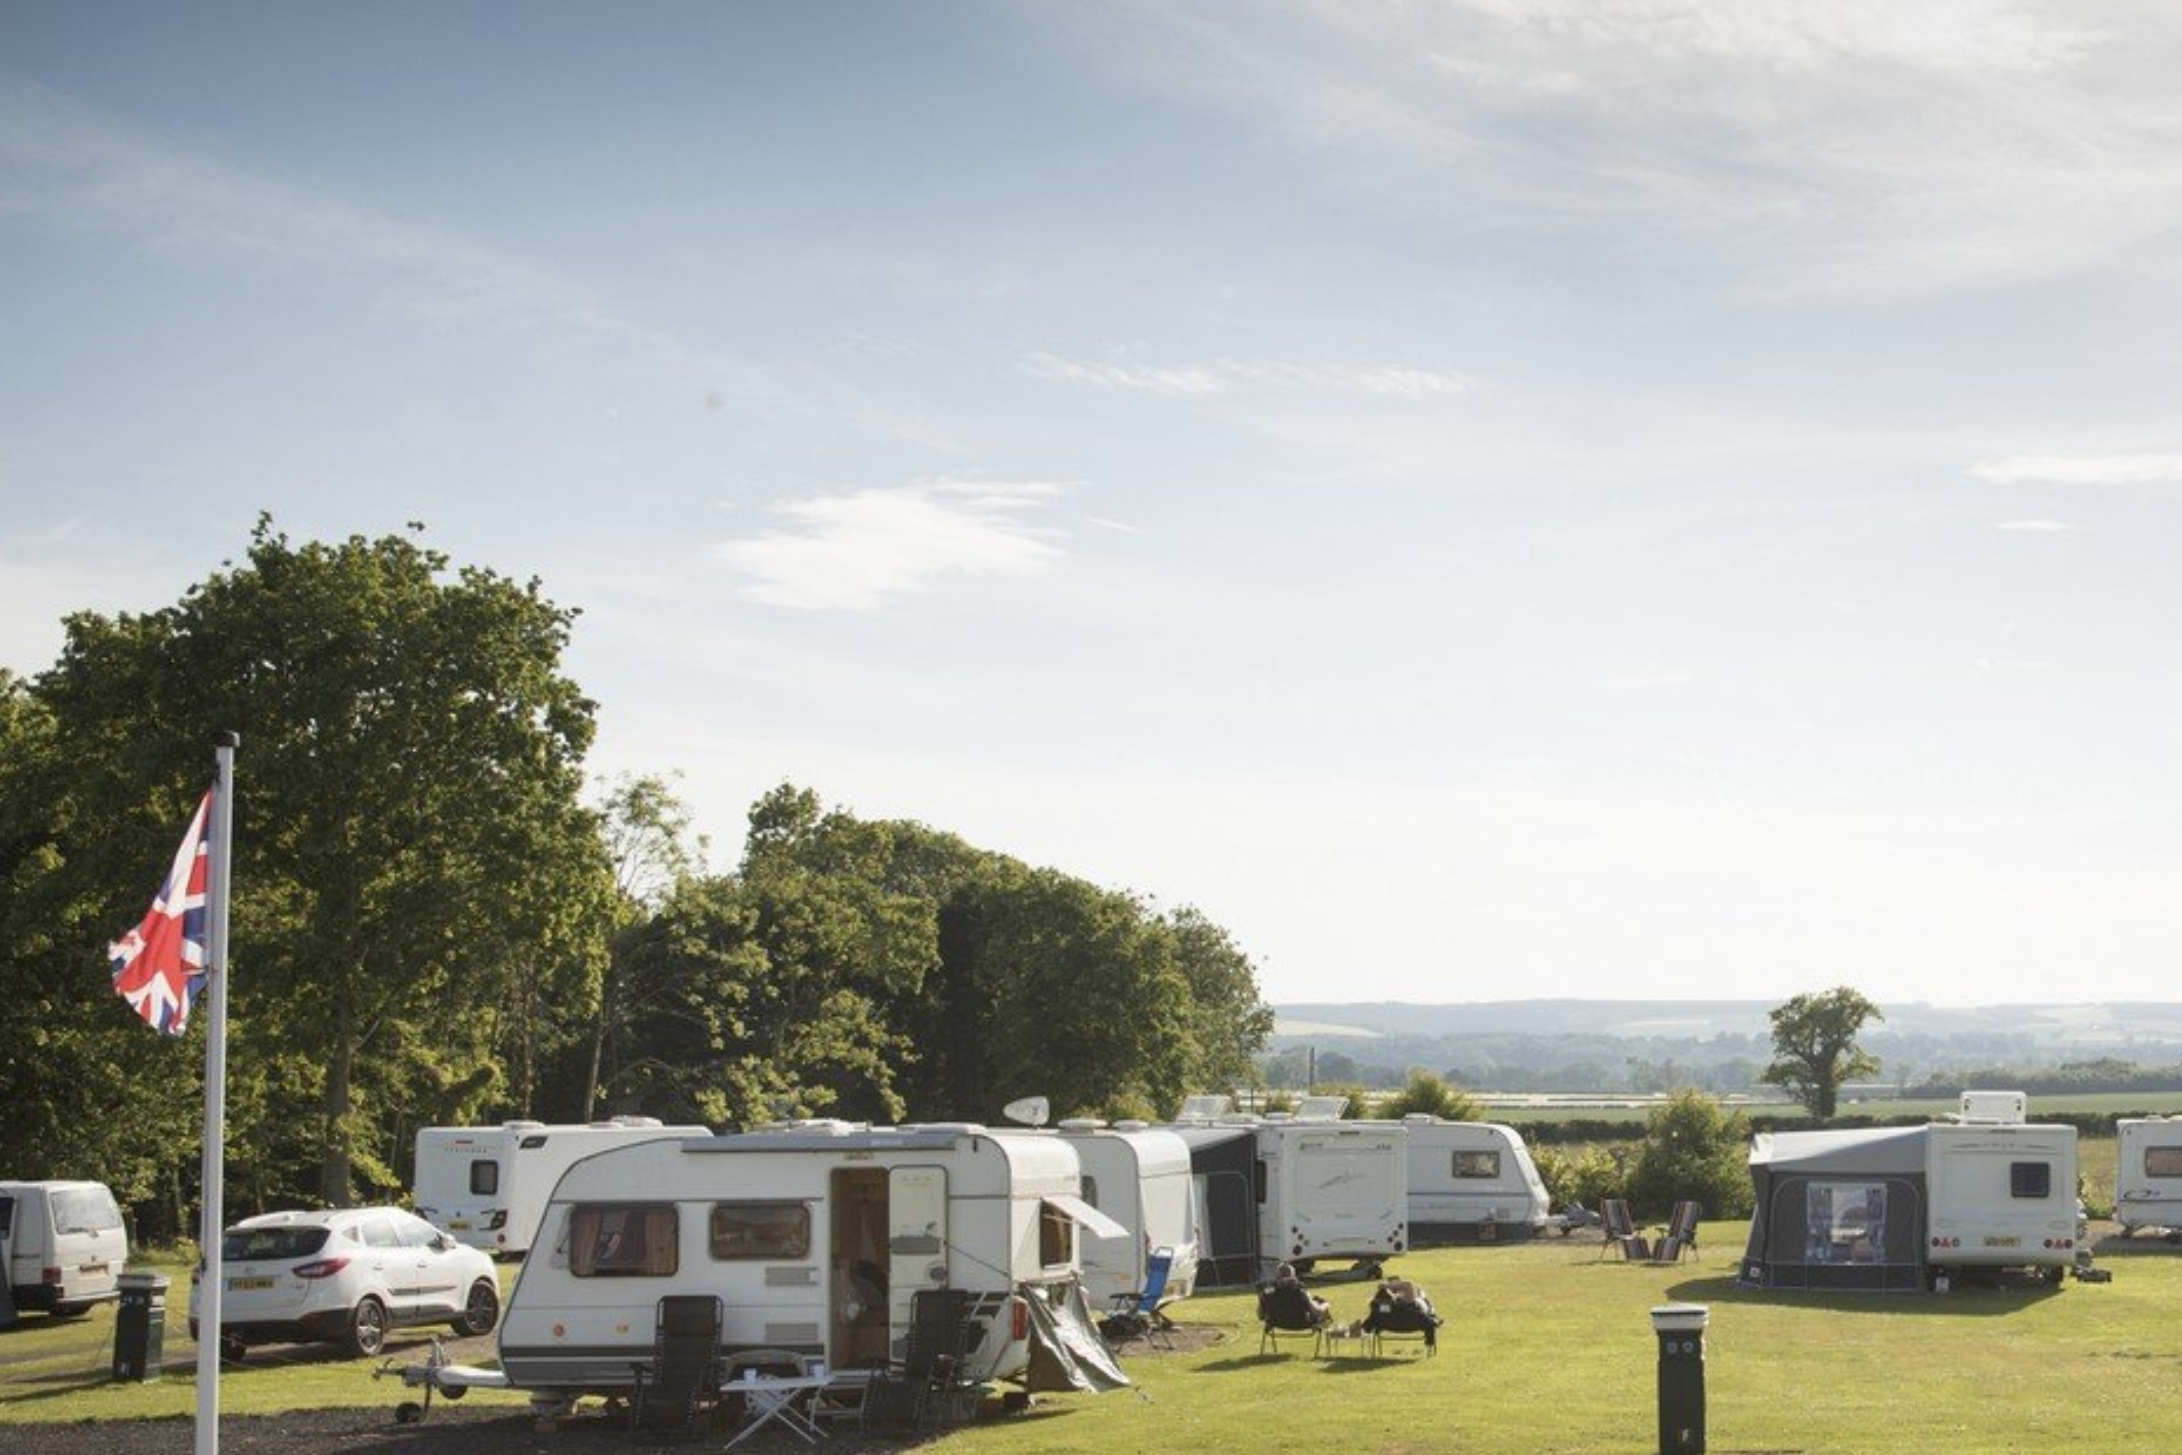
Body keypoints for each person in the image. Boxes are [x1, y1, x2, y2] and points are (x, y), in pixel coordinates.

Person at [1362, 1278, 1441, 1349]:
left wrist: (1391, 1291)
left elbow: (1368, 1325)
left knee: (1420, 1297)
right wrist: (1389, 1286)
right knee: (1422, 1297)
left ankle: (1421, 1295)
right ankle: (1421, 1294)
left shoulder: (1379, 1310)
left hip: (1391, 1325)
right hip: (1411, 1323)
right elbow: (1408, 1284)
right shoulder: (1408, 1305)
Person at [1259, 1262, 1333, 1329]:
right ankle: (1333, 1332)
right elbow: (1315, 1311)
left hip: (1276, 1323)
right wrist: (1326, 1305)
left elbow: (1261, 1315)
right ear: (1293, 1276)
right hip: (1301, 1324)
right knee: (1320, 1303)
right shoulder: (1300, 1290)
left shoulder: (1267, 1292)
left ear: (1277, 1276)